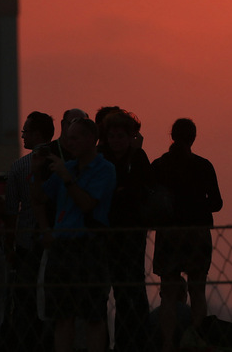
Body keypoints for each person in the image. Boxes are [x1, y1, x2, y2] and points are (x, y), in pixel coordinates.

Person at [33, 117, 116, 352]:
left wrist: (66, 178)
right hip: (62, 247)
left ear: (92, 139)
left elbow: (88, 204)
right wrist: (38, 173)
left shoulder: (104, 169)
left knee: (93, 315)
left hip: (89, 246)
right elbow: (39, 199)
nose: (70, 142)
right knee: (62, 315)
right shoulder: (66, 167)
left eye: (75, 137)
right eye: (68, 137)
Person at [149, 118, 223, 352]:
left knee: (168, 296)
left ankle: (168, 344)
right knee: (197, 291)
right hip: (197, 235)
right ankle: (198, 341)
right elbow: (217, 203)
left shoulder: (159, 165)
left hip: (168, 235)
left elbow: (151, 202)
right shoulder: (203, 166)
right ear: (194, 137)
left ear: (172, 135)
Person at [100, 110, 151, 352]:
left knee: (132, 287)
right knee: (113, 289)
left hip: (131, 232)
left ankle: (134, 341)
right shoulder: (102, 157)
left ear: (130, 136)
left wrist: (120, 192)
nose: (116, 141)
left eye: (120, 136)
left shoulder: (138, 158)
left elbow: (138, 190)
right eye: (111, 136)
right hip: (107, 232)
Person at [3, 111, 54, 352]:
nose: (22, 135)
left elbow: (12, 210)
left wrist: (9, 244)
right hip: (54, 241)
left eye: (26, 131)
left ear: (36, 134)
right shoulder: (61, 161)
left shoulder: (18, 167)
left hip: (25, 242)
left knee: (24, 301)